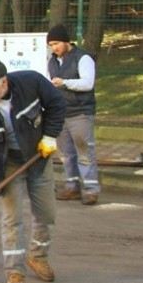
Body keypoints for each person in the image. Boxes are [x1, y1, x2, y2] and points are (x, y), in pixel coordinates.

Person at [0, 54, 66, 283]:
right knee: (13, 219)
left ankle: (38, 257)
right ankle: (15, 272)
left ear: (4, 82)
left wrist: (50, 136)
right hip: (8, 163)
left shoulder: (31, 82)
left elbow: (57, 105)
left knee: (46, 213)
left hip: (38, 157)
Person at [46, 24, 100, 205]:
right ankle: (72, 186)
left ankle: (91, 189)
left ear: (67, 41)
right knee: (66, 153)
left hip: (80, 112)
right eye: (51, 45)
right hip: (61, 113)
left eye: (56, 43)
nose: (54, 48)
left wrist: (65, 83)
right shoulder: (52, 61)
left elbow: (87, 83)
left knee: (84, 150)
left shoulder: (83, 58)